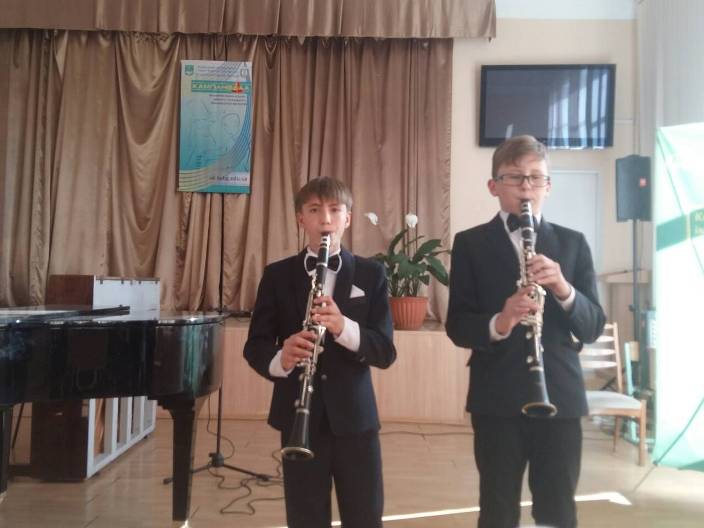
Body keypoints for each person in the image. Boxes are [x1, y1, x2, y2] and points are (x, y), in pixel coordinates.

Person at [445, 135, 606, 528]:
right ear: (494, 186)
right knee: (497, 508)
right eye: (515, 177)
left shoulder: (572, 243)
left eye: (536, 178)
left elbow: (592, 326)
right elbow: (458, 325)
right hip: (496, 396)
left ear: (548, 186)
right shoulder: (469, 244)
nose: (526, 187)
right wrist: (500, 321)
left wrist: (563, 288)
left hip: (560, 395)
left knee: (558, 508)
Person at [244, 176, 396, 528]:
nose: (325, 219)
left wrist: (343, 328)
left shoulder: (372, 274)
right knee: (305, 517)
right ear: (301, 219)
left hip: (355, 419)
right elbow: (255, 345)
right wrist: (280, 358)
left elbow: (385, 351)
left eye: (334, 210)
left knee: (364, 515)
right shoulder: (277, 275)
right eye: (314, 210)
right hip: (298, 417)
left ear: (348, 218)